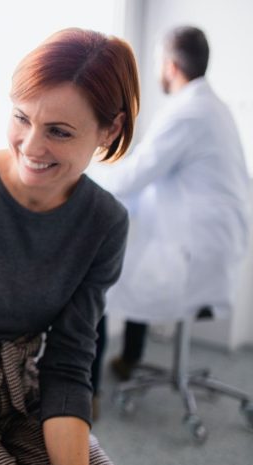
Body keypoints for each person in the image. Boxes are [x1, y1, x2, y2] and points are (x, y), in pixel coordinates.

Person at [0, 28, 139, 465]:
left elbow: (68, 361)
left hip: (23, 393)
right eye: (21, 118)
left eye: (59, 132)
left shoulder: (104, 223)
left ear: (111, 130)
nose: (31, 147)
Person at [90, 26, 250, 382]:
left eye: (159, 62)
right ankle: (129, 358)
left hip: (197, 252)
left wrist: (82, 176)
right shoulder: (211, 106)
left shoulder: (188, 113)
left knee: (102, 277)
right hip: (217, 243)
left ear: (172, 66)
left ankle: (93, 387)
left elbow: (134, 176)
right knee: (128, 254)